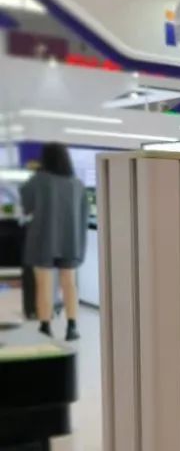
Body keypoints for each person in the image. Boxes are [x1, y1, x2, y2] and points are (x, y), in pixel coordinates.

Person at [20, 143, 89, 341]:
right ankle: (72, 327)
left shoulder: (38, 180)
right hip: (70, 241)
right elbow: (84, 215)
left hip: (43, 240)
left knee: (44, 284)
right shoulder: (77, 184)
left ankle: (45, 326)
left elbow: (26, 205)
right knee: (70, 284)